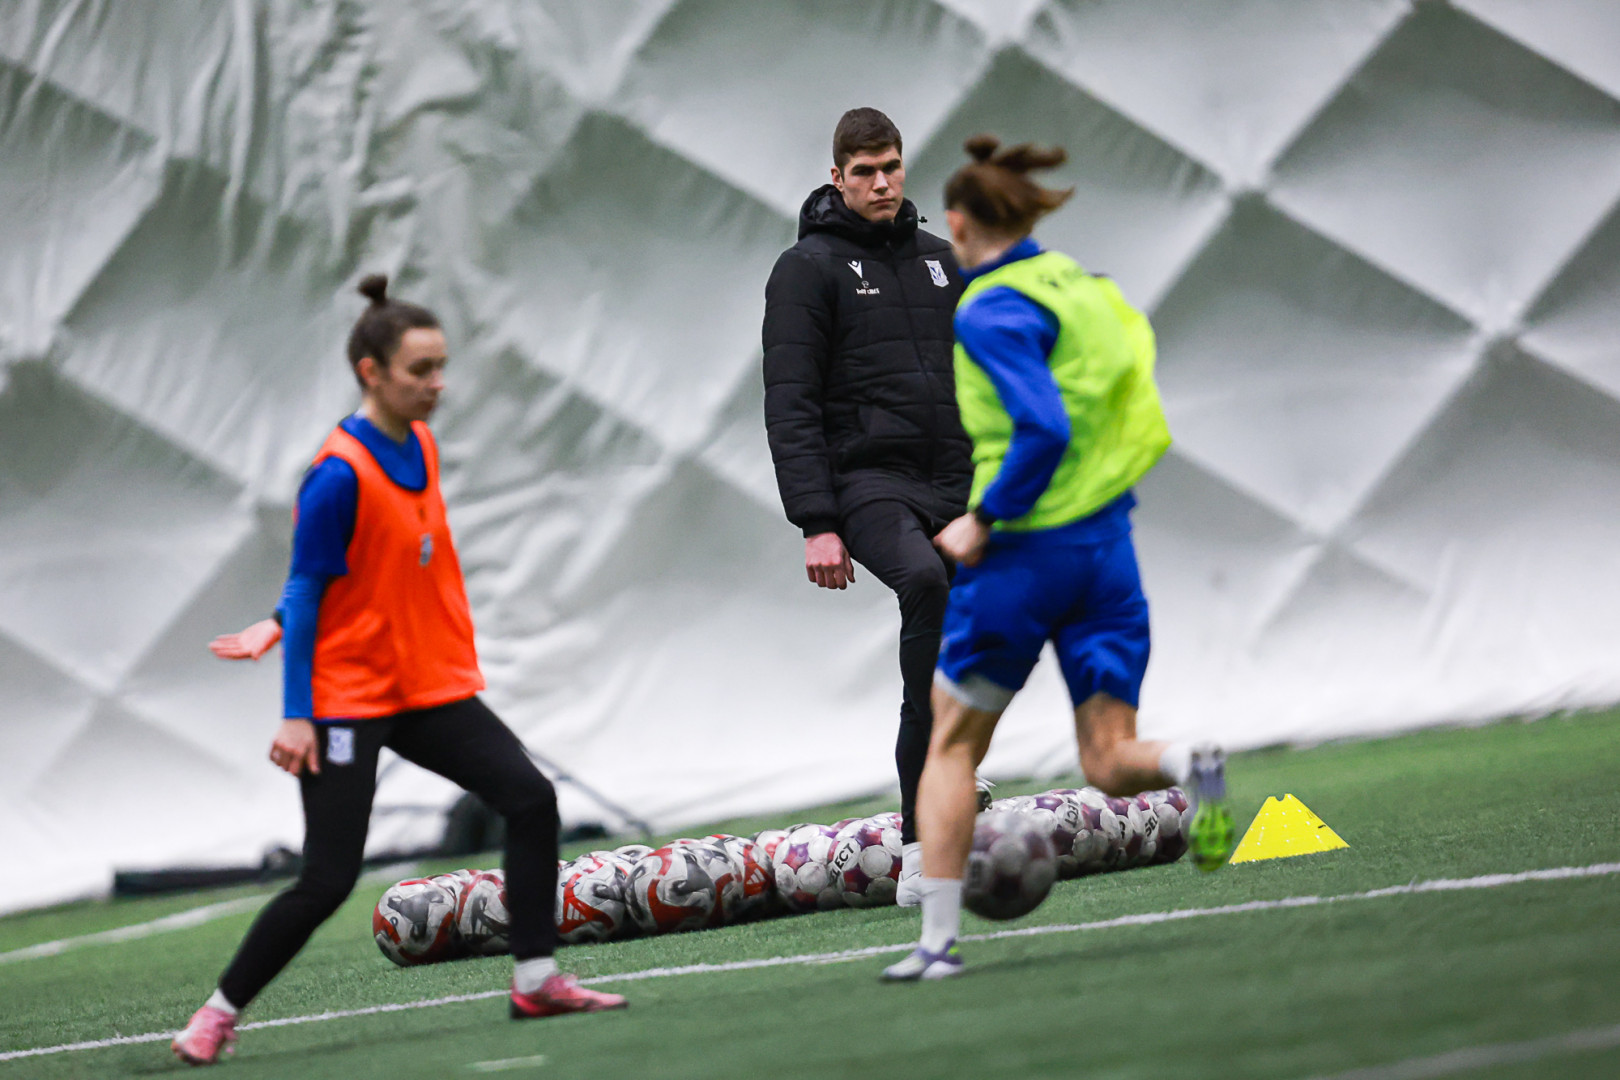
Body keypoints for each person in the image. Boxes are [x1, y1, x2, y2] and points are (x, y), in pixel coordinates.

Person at [172, 275, 625, 1066]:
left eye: (442, 366)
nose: (437, 383)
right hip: (347, 700)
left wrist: (275, 621)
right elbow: (309, 586)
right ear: (371, 372)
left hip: (424, 687)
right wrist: (296, 712)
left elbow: (363, 571)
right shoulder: (337, 474)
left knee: (530, 799)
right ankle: (215, 1016)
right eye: (421, 369)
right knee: (327, 879)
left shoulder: (420, 443)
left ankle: (536, 979)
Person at [882, 136, 1237, 982]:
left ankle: (936, 945)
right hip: (1106, 548)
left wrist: (984, 518)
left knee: (949, 747)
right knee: (1110, 760)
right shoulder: (1085, 287)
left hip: (1024, 556)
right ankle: (1190, 763)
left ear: (958, 224)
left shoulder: (988, 308)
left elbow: (1042, 426)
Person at [763, 108, 986, 904]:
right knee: (922, 582)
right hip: (867, 482)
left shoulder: (940, 261)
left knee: (977, 625)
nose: (882, 183)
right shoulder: (807, 268)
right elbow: (790, 400)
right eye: (864, 172)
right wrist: (817, 522)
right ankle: (928, 828)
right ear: (838, 178)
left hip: (954, 479)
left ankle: (949, 786)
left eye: (891, 166)